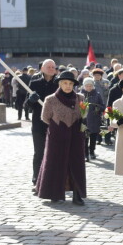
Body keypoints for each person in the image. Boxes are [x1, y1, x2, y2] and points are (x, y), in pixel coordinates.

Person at [35, 71, 87, 206]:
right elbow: (45, 118)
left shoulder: (80, 98)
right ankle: (53, 192)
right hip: (57, 136)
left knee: (76, 164)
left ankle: (77, 194)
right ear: (59, 84)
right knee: (55, 163)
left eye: (70, 83)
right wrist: (58, 125)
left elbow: (84, 115)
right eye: (65, 83)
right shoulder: (50, 99)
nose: (68, 86)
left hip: (76, 135)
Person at [27, 59, 58, 186]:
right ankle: (36, 177)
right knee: (39, 152)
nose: (51, 69)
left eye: (53, 67)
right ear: (42, 69)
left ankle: (52, 177)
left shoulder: (59, 84)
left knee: (54, 153)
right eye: (48, 66)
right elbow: (27, 106)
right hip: (38, 124)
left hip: (55, 124)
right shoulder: (34, 84)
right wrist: (31, 100)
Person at [80, 77, 105, 161]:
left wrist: (98, 108)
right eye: (87, 86)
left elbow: (102, 105)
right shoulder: (80, 95)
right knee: (85, 138)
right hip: (84, 120)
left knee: (93, 137)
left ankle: (92, 152)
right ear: (84, 86)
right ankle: (85, 154)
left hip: (94, 119)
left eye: (90, 85)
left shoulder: (97, 94)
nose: (89, 87)